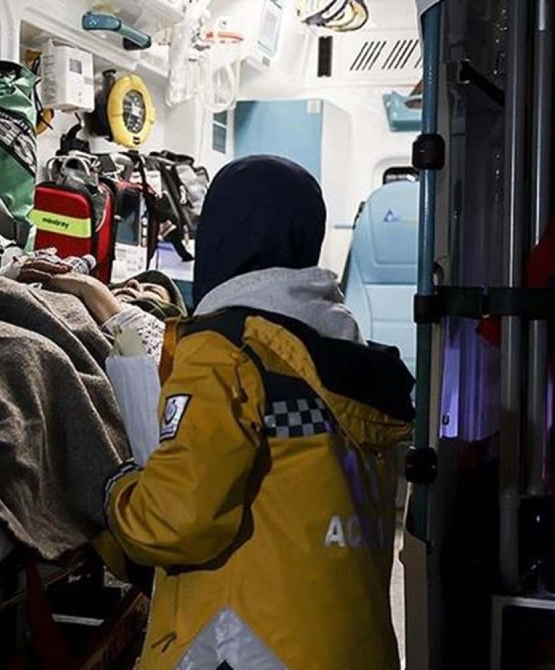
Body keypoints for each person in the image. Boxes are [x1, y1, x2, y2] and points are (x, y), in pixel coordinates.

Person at [38, 155, 415, 669]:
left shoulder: (227, 353)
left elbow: (173, 522)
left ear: (222, 235)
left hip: (247, 653)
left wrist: (113, 490)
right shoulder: (347, 360)